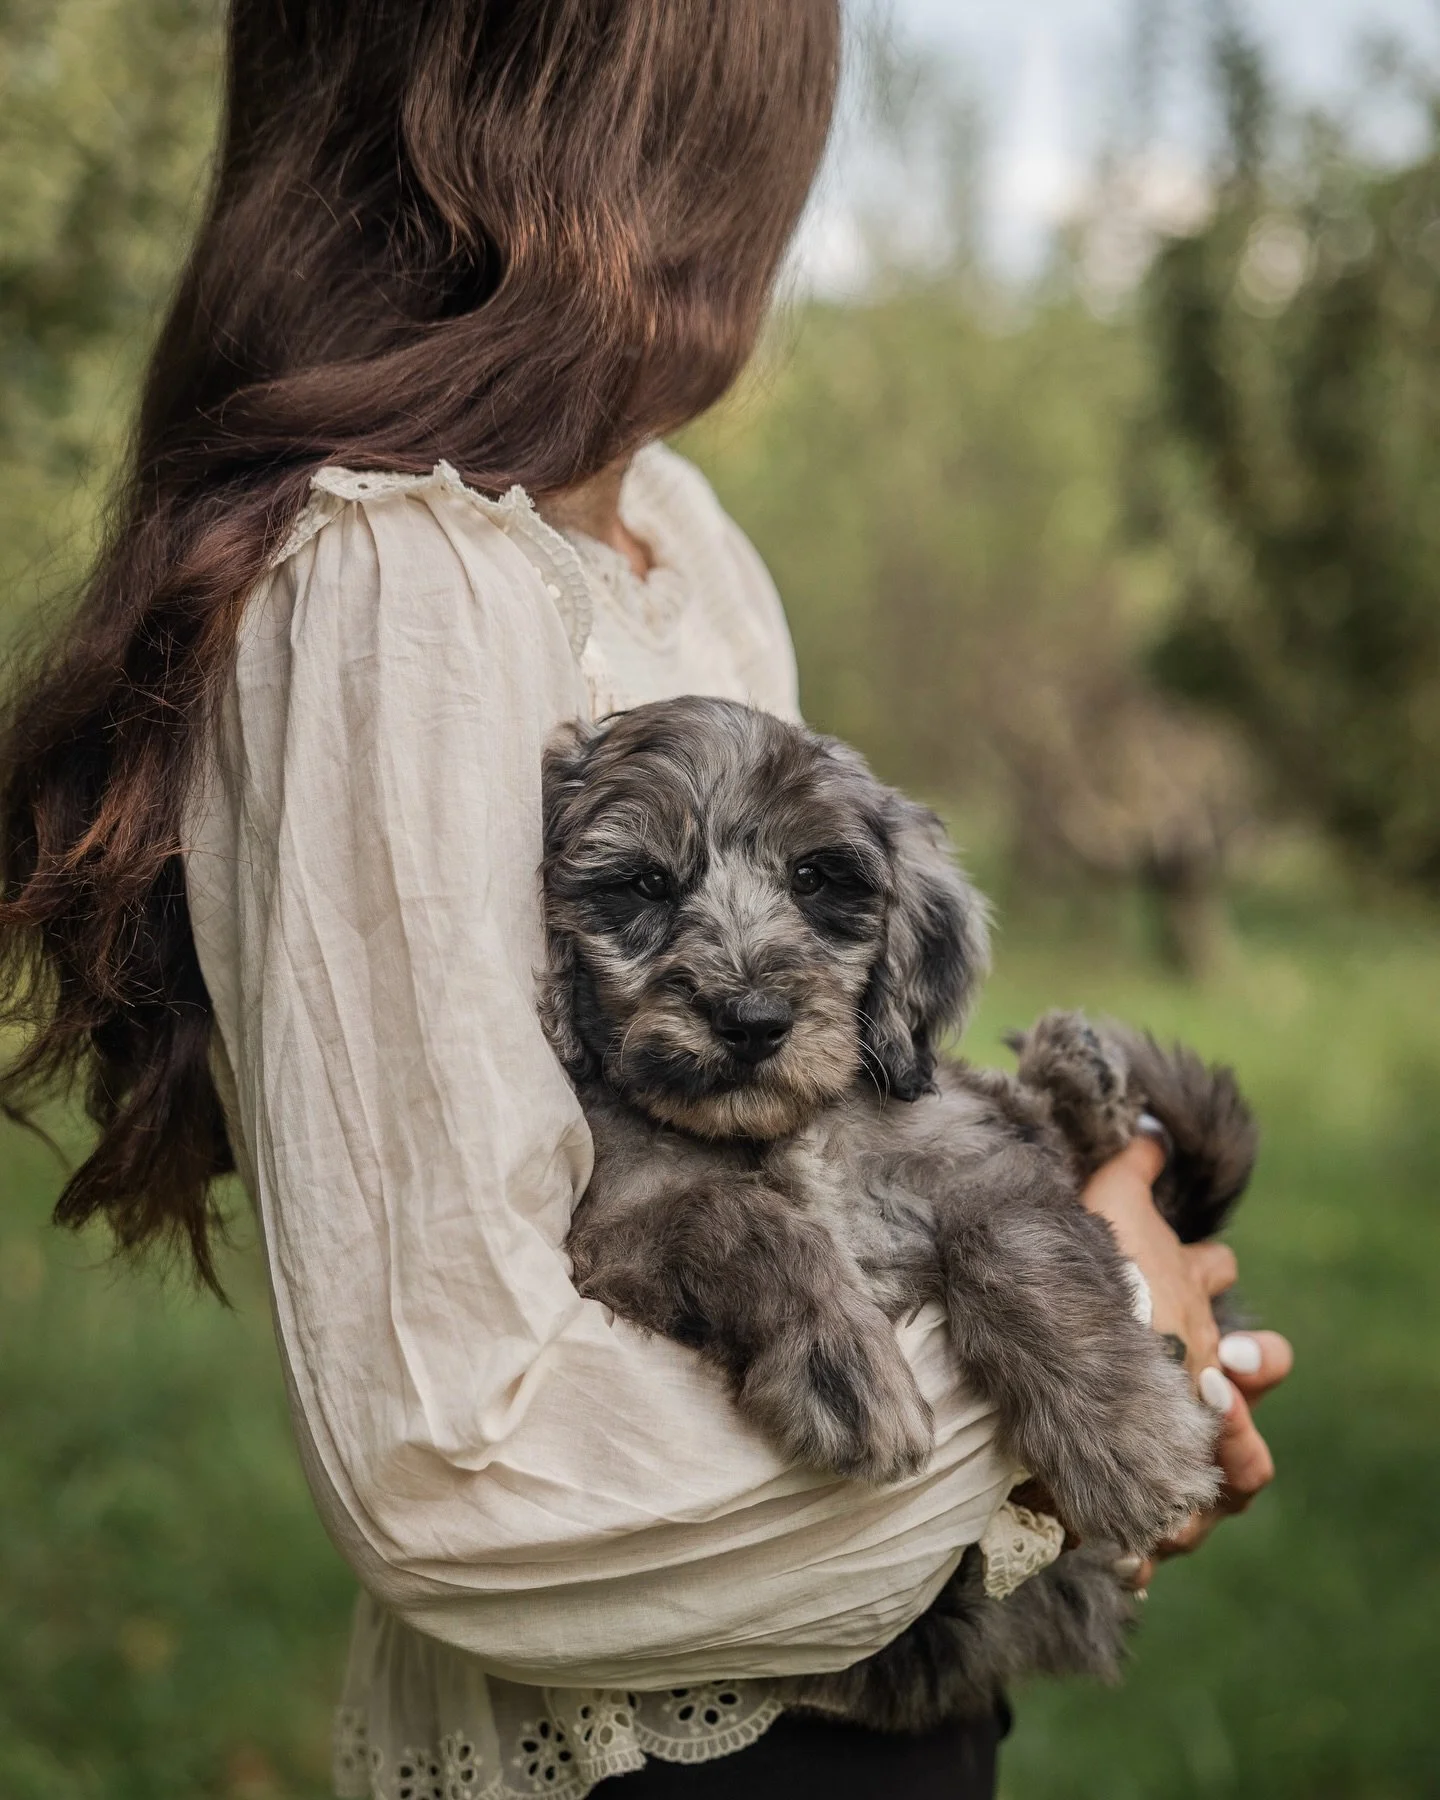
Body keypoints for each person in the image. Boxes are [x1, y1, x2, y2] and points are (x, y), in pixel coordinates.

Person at [0, 4, 1291, 1797]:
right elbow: (465, 1469)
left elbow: (851, 1099)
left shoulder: (672, 527)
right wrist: (1075, 1388)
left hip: (889, 1687)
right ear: (628, 89)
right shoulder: (394, 591)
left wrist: (1100, 1249)